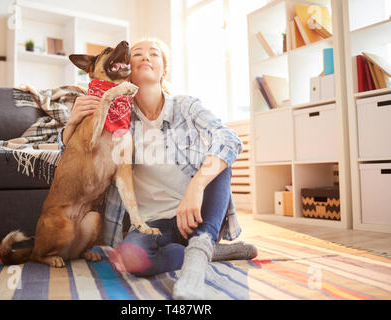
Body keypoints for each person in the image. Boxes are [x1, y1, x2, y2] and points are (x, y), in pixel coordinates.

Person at [58, 38, 257, 300]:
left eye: (154, 54)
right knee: (129, 258)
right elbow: (75, 162)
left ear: (164, 70)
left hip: (198, 214)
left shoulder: (185, 106)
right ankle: (209, 251)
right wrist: (71, 124)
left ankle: (197, 259)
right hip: (154, 225)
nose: (145, 57)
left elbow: (229, 139)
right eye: (137, 54)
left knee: (220, 162)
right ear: (125, 68)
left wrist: (196, 187)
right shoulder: (117, 117)